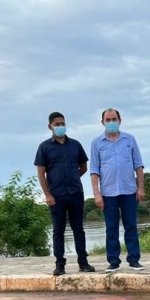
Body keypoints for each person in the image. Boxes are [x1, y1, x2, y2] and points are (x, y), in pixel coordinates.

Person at [34, 112, 95, 277]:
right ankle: (60, 264)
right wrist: (47, 194)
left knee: (78, 229)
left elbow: (83, 167)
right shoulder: (44, 147)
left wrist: (72, 177)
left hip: (75, 193)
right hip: (56, 195)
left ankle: (83, 262)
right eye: (57, 124)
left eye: (62, 123)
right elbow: (41, 173)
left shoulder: (75, 145)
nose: (60, 126)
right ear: (50, 127)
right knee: (58, 230)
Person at [89, 108, 145, 273]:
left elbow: (138, 165)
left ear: (120, 121)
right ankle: (113, 261)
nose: (111, 122)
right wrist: (96, 193)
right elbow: (94, 170)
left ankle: (134, 260)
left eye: (114, 119)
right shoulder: (96, 143)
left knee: (131, 226)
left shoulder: (130, 139)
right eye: (108, 120)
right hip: (108, 193)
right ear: (102, 122)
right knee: (111, 228)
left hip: (129, 190)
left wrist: (141, 187)